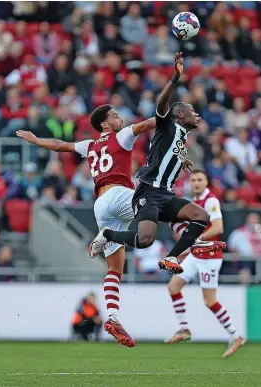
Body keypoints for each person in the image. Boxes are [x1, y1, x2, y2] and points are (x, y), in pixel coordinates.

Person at [16, 104, 157, 348]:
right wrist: (172, 116)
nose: (119, 117)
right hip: (119, 194)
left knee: (115, 269)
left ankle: (113, 317)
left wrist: (36, 140)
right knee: (161, 202)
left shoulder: (89, 145)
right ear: (105, 124)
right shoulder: (121, 136)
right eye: (114, 115)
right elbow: (146, 125)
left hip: (101, 204)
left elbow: (61, 145)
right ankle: (193, 237)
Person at [90, 52, 226, 275]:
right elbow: (161, 104)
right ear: (179, 114)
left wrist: (181, 159)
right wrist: (174, 77)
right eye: (192, 111)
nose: (196, 115)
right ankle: (107, 235)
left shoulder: (181, 137)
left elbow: (167, 152)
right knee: (145, 240)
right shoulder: (167, 125)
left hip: (166, 194)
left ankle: (173, 255)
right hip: (148, 191)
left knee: (201, 216)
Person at [165, 170, 244, 358]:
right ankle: (184, 329)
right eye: (193, 180)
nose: (196, 183)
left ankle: (235, 335)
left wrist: (195, 238)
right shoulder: (193, 203)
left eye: (200, 180)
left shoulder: (211, 201)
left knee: (210, 301)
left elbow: (218, 228)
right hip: (196, 255)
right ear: (189, 184)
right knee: (173, 286)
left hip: (210, 257)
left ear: (206, 182)